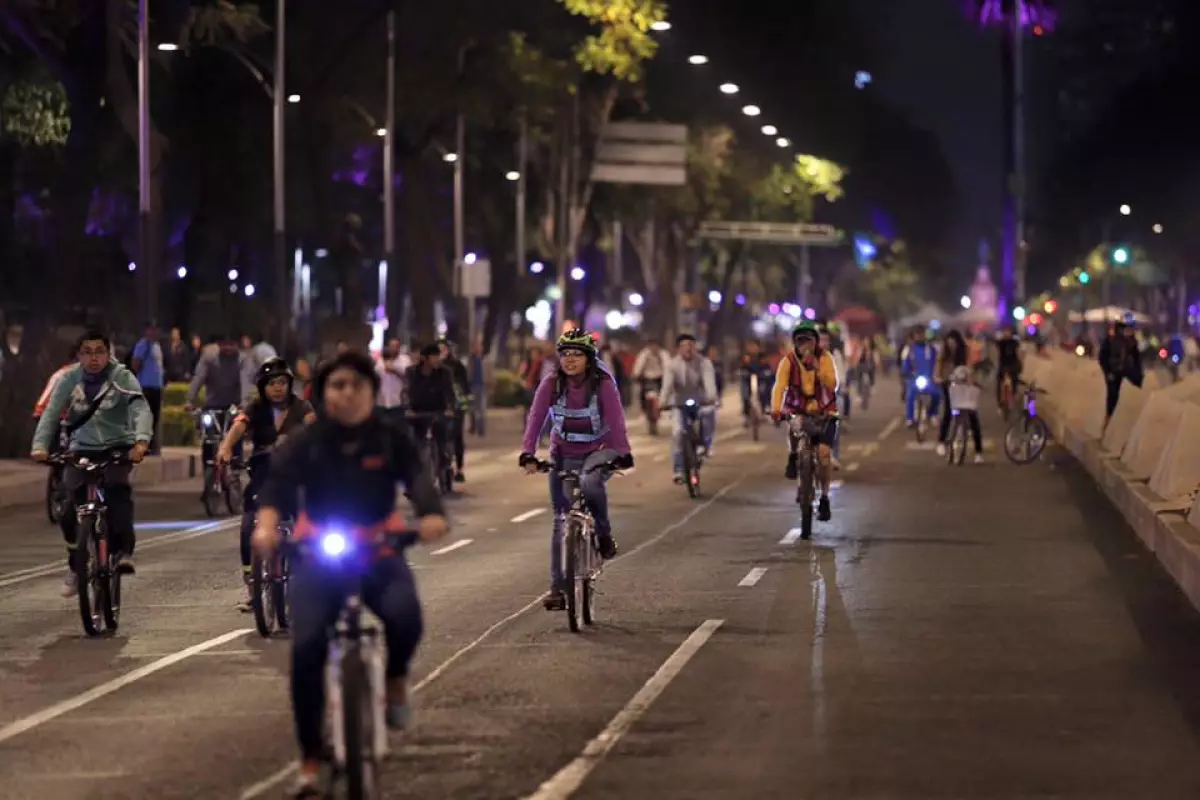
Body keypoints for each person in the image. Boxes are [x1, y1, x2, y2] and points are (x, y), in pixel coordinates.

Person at [249, 351, 448, 798]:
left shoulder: (390, 436)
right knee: (306, 648)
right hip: (318, 551)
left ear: (372, 392)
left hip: (379, 546)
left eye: (356, 384)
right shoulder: (307, 440)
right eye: (337, 385)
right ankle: (310, 760)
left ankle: (395, 677)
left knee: (405, 616)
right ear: (323, 394)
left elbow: (418, 477)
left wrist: (431, 514)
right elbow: (277, 485)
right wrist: (266, 525)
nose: (347, 392)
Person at [30, 330, 152, 595]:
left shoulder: (121, 377)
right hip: (81, 448)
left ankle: (122, 553)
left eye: (99, 352)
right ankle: (76, 567)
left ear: (108, 354)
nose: (94, 358)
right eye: (87, 352)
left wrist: (140, 442)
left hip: (117, 447)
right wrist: (39, 447)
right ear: (79, 356)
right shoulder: (68, 379)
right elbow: (51, 414)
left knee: (118, 493)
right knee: (67, 509)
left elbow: (140, 408)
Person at [518, 328, 633, 609]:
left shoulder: (603, 383)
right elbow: (535, 419)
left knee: (591, 483)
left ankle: (604, 534)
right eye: (565, 354)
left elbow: (616, 420)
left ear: (588, 358)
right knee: (560, 520)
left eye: (577, 354)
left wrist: (624, 453)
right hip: (563, 452)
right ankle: (557, 589)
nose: (570, 360)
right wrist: (528, 453)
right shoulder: (551, 383)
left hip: (599, 449)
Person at [217, 357, 315, 612]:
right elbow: (239, 426)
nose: (278, 388)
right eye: (272, 383)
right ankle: (253, 585)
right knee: (249, 524)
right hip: (262, 475)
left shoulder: (301, 407)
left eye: (282, 382)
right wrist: (226, 448)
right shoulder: (255, 408)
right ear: (263, 386)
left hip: (295, 476)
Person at [769, 322, 839, 520]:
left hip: (824, 411)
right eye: (800, 341)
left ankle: (824, 498)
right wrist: (775, 409)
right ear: (795, 343)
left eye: (809, 340)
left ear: (816, 342)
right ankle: (793, 455)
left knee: (824, 455)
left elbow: (832, 384)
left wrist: (817, 368)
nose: (805, 345)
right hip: (798, 409)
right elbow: (779, 386)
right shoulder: (788, 361)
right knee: (793, 424)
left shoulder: (825, 358)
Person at [186, 333, 253, 467]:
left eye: (231, 344)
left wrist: (244, 403)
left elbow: (245, 382)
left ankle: (235, 469)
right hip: (213, 405)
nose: (228, 348)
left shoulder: (243, 360)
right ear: (219, 344)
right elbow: (199, 378)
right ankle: (208, 473)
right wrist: (190, 400)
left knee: (236, 436)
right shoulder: (209, 357)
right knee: (208, 440)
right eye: (224, 344)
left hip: (234, 406)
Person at [660, 333, 718, 483]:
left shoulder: (704, 363)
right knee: (678, 432)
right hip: (678, 403)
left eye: (691, 346)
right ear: (678, 349)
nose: (688, 350)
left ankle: (705, 446)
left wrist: (711, 397)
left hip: (700, 401)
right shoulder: (672, 365)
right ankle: (679, 469)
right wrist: (663, 402)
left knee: (708, 418)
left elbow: (709, 382)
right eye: (684, 346)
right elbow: (666, 386)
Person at [403, 344, 457, 474]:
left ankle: (444, 459)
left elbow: (449, 393)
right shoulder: (411, 372)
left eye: (438, 356)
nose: (438, 359)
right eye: (434, 356)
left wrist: (449, 408)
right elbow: (406, 392)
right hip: (417, 412)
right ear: (425, 358)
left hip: (439, 411)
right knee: (412, 440)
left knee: (442, 433)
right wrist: (407, 408)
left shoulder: (445, 372)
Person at [935, 330, 983, 462]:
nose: (951, 345)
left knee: (973, 416)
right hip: (949, 386)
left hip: (964, 386)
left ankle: (979, 452)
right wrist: (938, 378)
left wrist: (972, 380)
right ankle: (941, 442)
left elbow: (971, 367)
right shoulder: (943, 353)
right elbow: (938, 367)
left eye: (953, 342)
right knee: (948, 413)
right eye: (949, 342)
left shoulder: (965, 351)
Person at [438, 339, 471, 483]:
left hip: (457, 407)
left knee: (457, 437)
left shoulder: (457, 366)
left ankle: (459, 468)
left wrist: (462, 403)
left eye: (443, 349)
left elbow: (465, 387)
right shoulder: (434, 367)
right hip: (440, 407)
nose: (441, 353)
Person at [131, 320, 165, 454]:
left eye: (156, 330)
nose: (154, 332)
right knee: (146, 417)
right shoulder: (142, 345)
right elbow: (135, 363)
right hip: (146, 386)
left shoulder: (157, 346)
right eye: (152, 329)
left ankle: (152, 444)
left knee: (155, 418)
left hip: (157, 386)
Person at [902, 328, 940, 426]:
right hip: (914, 378)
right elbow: (905, 363)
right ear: (914, 336)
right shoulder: (909, 349)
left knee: (937, 394)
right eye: (917, 334)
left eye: (921, 334)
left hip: (929, 378)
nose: (919, 336)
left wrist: (936, 375)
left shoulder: (931, 349)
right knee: (910, 396)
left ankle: (933, 414)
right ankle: (910, 418)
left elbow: (936, 362)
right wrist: (906, 373)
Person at [738, 341, 775, 423]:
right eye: (751, 346)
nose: (753, 348)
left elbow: (767, 369)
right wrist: (744, 372)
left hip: (760, 380)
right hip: (748, 381)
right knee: (745, 395)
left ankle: (765, 410)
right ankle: (746, 415)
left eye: (754, 346)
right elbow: (742, 369)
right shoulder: (746, 357)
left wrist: (764, 374)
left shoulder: (761, 356)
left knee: (765, 391)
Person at [631, 339, 666, 423]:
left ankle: (663, 410)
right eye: (652, 346)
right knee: (642, 393)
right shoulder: (644, 354)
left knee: (664, 393)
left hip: (660, 377)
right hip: (647, 378)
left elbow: (668, 365)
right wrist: (636, 374)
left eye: (656, 346)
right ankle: (643, 411)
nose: (654, 348)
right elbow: (638, 365)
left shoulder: (663, 354)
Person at [994, 326, 1023, 411]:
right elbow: (997, 344)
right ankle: (1000, 403)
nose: (1007, 333)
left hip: (1013, 364)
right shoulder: (1001, 342)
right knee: (999, 381)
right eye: (1005, 331)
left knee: (1015, 379)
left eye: (1008, 332)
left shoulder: (1014, 342)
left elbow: (1019, 350)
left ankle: (1013, 394)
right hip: (1003, 364)